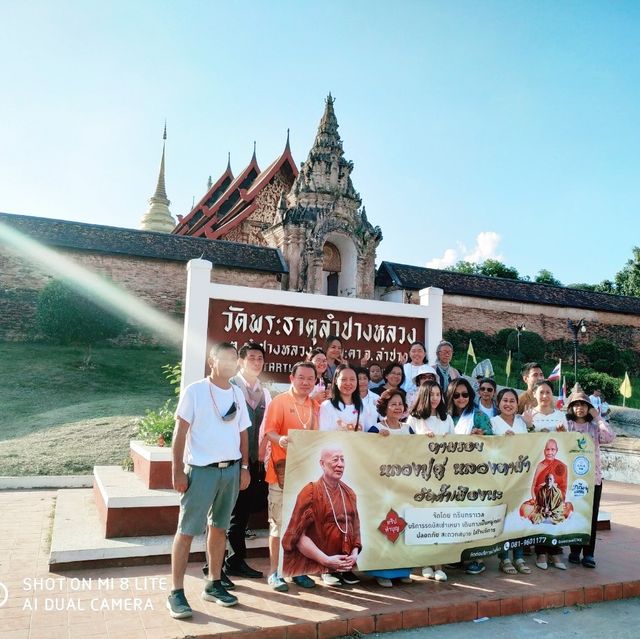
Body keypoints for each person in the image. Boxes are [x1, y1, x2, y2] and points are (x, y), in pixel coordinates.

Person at [167, 342, 251, 619]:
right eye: (224, 358)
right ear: (211, 360)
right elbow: (180, 433)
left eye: (233, 359)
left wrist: (245, 467)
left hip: (230, 471)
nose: (230, 362)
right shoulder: (196, 391)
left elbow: (243, 434)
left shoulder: (237, 393)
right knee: (187, 530)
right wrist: (177, 470)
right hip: (201, 470)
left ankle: (214, 583)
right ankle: (176, 592)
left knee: (219, 529)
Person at [263, 361, 319, 592]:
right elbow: (270, 431)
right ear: (292, 378)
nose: (306, 382)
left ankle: (297, 570)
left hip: (306, 475)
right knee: (278, 524)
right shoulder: (280, 402)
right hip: (281, 473)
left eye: (310, 379)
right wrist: (280, 440)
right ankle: (275, 572)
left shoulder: (316, 406)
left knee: (302, 525)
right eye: (301, 378)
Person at [224, 342, 271, 579]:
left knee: (241, 511)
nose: (256, 362)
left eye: (260, 358)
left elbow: (266, 428)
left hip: (254, 461)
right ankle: (227, 562)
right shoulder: (230, 387)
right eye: (251, 357)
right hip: (232, 459)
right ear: (241, 361)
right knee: (230, 511)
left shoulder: (265, 392)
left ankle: (233, 560)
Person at [281, 447, 362, 587]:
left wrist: (354, 555)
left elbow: (355, 529)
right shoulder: (310, 492)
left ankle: (343, 569)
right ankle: (327, 571)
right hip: (321, 559)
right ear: (322, 464)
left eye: (342, 460)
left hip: (346, 559)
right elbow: (297, 536)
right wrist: (325, 560)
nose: (340, 464)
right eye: (335, 459)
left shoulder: (349, 493)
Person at [365, 389, 414, 587]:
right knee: (384, 527)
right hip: (381, 489)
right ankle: (382, 572)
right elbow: (366, 455)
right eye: (393, 403)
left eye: (400, 403)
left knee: (403, 526)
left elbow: (417, 454)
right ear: (385, 406)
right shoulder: (375, 429)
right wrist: (377, 441)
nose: (397, 407)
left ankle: (402, 570)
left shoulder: (408, 430)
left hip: (404, 487)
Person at [405, 381, 451, 582]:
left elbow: (457, 446)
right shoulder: (413, 419)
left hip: (443, 477)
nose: (435, 398)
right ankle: (424, 562)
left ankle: (438, 564)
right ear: (423, 395)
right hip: (421, 476)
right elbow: (405, 446)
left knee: (440, 519)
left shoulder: (446, 418)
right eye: (431, 394)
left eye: (437, 394)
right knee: (423, 519)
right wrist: (422, 440)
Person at [446, 377, 492, 575]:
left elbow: (495, 442)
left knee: (474, 515)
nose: (461, 398)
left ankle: (476, 557)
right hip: (449, 475)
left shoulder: (479, 416)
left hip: (475, 473)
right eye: (456, 395)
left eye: (465, 394)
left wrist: (483, 435)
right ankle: (456, 555)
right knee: (454, 516)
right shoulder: (444, 417)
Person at [566, 388, 616, 568]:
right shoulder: (567, 426)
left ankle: (588, 553)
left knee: (591, 516)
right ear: (571, 407)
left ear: (589, 407)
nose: (579, 408)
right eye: (576, 404)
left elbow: (610, 437)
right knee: (575, 514)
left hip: (593, 479)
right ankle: (574, 550)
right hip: (572, 480)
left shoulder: (594, 428)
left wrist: (598, 418)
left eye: (583, 404)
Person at [490, 388, 531, 575]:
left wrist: (531, 427)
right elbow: (488, 449)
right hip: (501, 478)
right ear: (498, 404)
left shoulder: (522, 423)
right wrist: (501, 441)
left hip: (521, 476)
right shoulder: (493, 423)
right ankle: (505, 557)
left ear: (517, 404)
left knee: (520, 515)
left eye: (512, 401)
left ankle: (519, 556)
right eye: (504, 400)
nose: (508, 404)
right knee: (505, 516)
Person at [519, 437, 572, 570]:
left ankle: (554, 553)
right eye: (548, 449)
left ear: (557, 451)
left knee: (563, 515)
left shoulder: (561, 466)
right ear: (544, 451)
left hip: (556, 503)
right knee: (528, 511)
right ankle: (541, 553)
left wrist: (554, 491)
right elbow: (533, 486)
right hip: (540, 502)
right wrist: (538, 498)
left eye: (553, 449)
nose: (550, 452)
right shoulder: (541, 465)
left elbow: (564, 488)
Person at [319, 364, 364, 431]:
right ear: (336, 381)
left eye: (352, 379)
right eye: (343, 379)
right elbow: (323, 434)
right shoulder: (327, 406)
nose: (348, 383)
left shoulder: (361, 405)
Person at [355, 366, 381, 431]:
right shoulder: (349, 398)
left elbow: (384, 418)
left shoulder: (376, 397)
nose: (362, 381)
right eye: (359, 379)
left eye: (365, 378)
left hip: (372, 437)